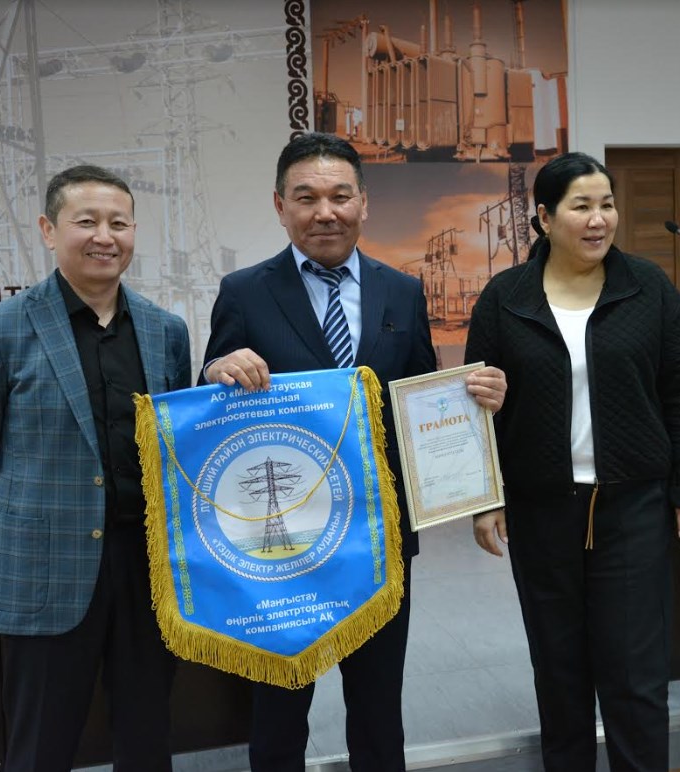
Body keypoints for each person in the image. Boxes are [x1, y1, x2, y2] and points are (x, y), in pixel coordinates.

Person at [200, 132, 506, 772]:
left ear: (364, 203)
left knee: (378, 705)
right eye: (306, 198)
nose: (325, 212)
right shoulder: (244, 291)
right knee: (280, 709)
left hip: (379, 536)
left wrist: (473, 400)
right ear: (280, 206)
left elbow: (420, 400)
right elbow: (212, 406)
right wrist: (216, 371)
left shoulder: (403, 290)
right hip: (285, 546)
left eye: (340, 196)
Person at [464, 152, 680, 771]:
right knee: (559, 671)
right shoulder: (505, 298)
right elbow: (472, 407)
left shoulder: (648, 288)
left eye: (606, 204)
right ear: (545, 218)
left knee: (635, 674)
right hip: (541, 510)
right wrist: (484, 498)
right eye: (581, 206)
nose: (599, 219)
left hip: (633, 508)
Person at [0, 165, 192, 772]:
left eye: (119, 223)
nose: (105, 236)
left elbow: (173, 446)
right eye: (87, 221)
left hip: (146, 569)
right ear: (50, 230)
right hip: (44, 570)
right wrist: (19, 529)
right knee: (40, 746)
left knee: (148, 736)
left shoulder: (165, 330)